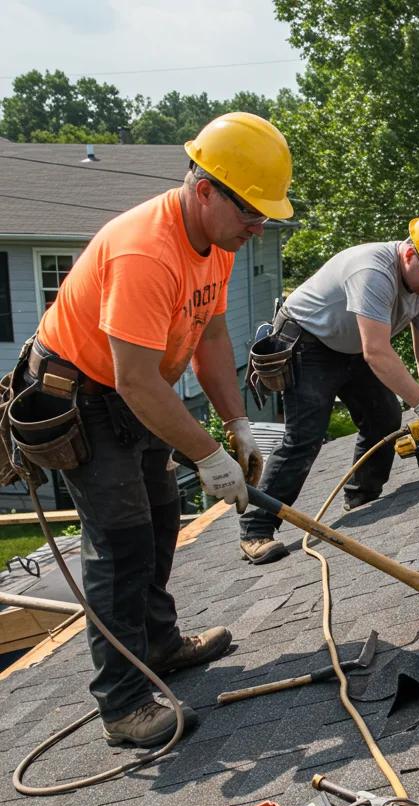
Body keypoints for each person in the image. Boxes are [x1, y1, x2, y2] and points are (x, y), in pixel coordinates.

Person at [18, 112, 293, 747]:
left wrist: (236, 424)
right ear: (204, 191)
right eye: (251, 212)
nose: (260, 227)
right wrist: (208, 457)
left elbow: (213, 334)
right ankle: (122, 704)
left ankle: (161, 644)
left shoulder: (216, 244)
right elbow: (136, 380)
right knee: (121, 543)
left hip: (136, 390)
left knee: (164, 515)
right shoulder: (147, 249)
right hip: (84, 396)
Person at [237, 212, 419, 565]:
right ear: (409, 255)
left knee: (384, 416)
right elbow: (377, 351)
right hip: (308, 341)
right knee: (305, 437)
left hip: (353, 345)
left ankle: (363, 494)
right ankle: (256, 529)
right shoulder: (373, 271)